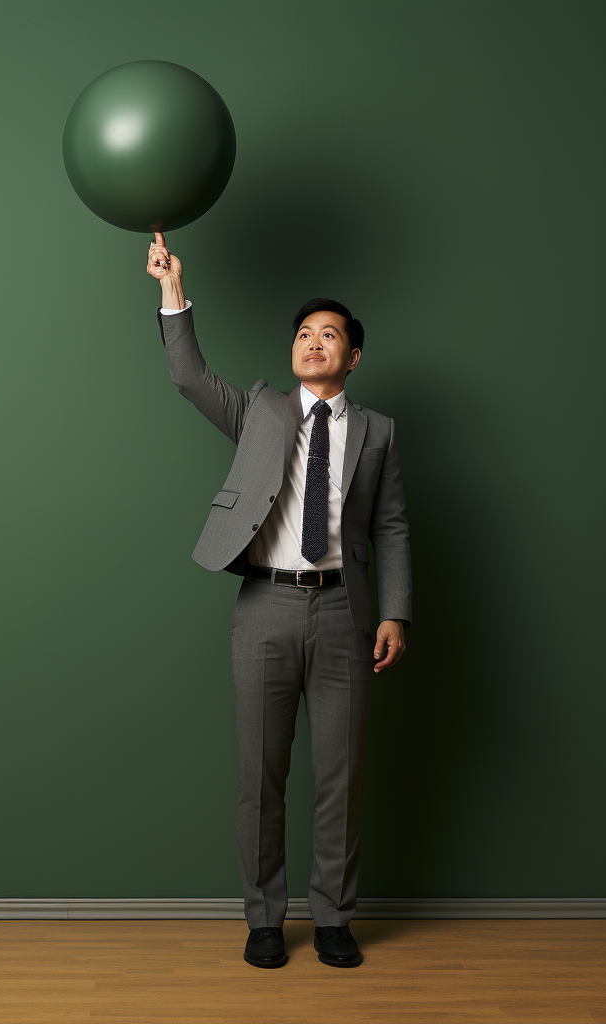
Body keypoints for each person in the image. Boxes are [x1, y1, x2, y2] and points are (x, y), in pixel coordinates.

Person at [147, 231, 412, 970]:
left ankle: (333, 918)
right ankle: (264, 919)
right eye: (304, 333)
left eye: (329, 335)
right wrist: (172, 288)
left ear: (352, 356)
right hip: (263, 608)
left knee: (341, 774)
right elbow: (190, 378)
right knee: (259, 777)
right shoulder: (260, 410)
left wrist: (394, 610)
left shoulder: (379, 433)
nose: (313, 343)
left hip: (343, 615)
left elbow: (390, 524)